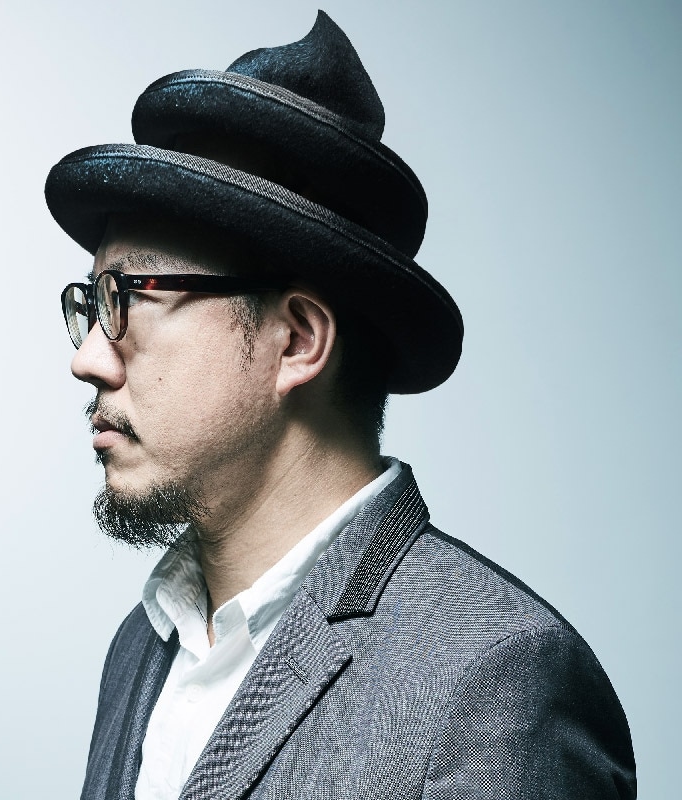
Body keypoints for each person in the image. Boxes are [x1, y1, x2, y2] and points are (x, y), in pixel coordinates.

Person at [45, 12, 636, 800]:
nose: (88, 358)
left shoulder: (495, 679)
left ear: (297, 340)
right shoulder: (143, 649)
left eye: (131, 296)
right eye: (92, 302)